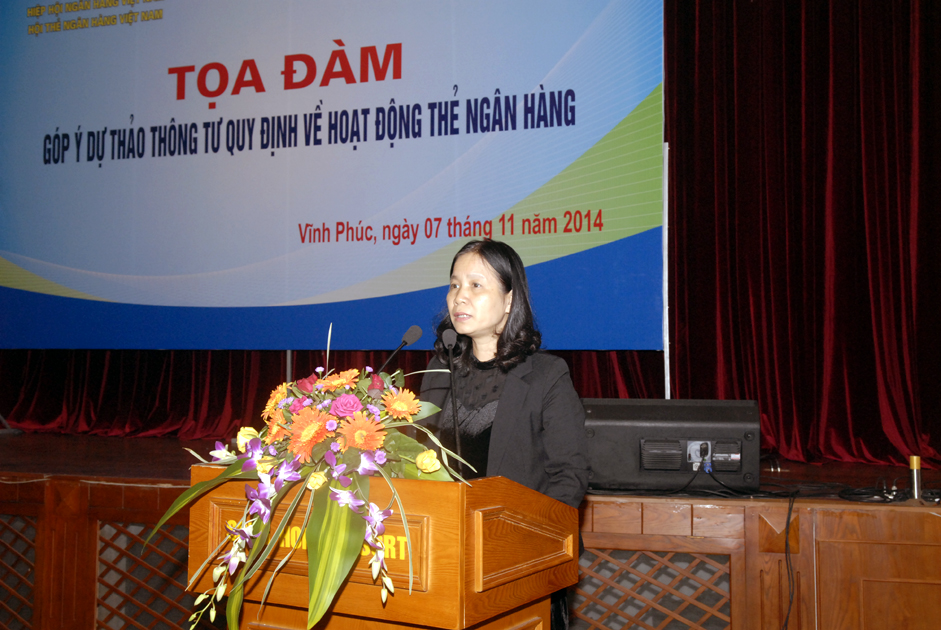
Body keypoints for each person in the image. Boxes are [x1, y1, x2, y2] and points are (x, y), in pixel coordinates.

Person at [419, 239, 589, 630]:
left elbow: (569, 478)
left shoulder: (546, 376)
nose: (460, 296)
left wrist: (521, 542)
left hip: (519, 563)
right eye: (454, 284)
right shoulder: (437, 372)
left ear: (510, 299)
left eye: (476, 285)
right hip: (443, 559)